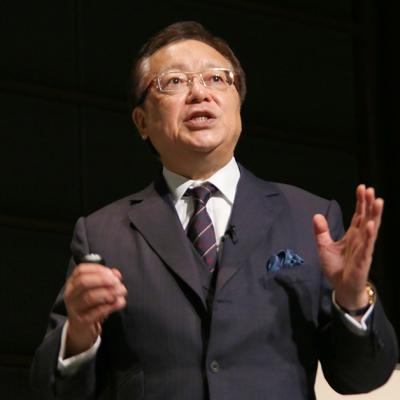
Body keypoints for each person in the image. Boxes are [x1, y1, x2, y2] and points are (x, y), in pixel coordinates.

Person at [31, 21, 398, 400]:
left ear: (238, 104)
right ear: (142, 122)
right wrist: (79, 334)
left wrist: (353, 299)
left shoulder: (309, 217)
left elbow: (363, 377)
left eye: (216, 79)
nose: (199, 93)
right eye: (174, 81)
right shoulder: (103, 233)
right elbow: (51, 391)